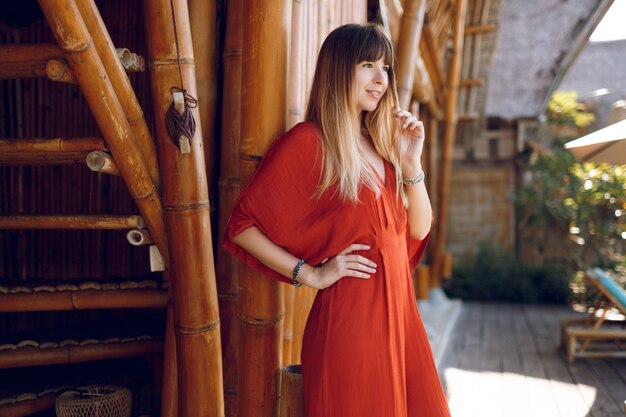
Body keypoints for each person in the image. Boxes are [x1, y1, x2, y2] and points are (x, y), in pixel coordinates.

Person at [223, 23, 451, 417]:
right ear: (339, 69)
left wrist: (411, 162)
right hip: (352, 325)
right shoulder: (309, 142)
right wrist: (310, 274)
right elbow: (241, 226)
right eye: (367, 65)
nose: (381, 79)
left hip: (400, 317)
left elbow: (418, 229)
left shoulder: (381, 147)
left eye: (385, 68)